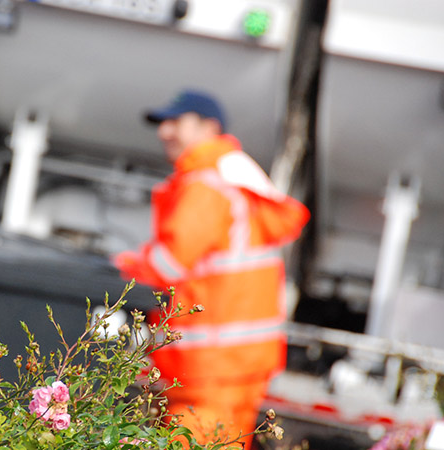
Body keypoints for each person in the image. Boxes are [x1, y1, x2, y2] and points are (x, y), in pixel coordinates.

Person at [114, 90, 309, 448]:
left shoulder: (206, 184)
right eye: (162, 124)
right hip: (235, 366)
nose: (164, 132)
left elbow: (169, 263)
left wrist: (125, 266)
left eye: (176, 122)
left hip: (206, 369)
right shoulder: (234, 179)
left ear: (209, 127)